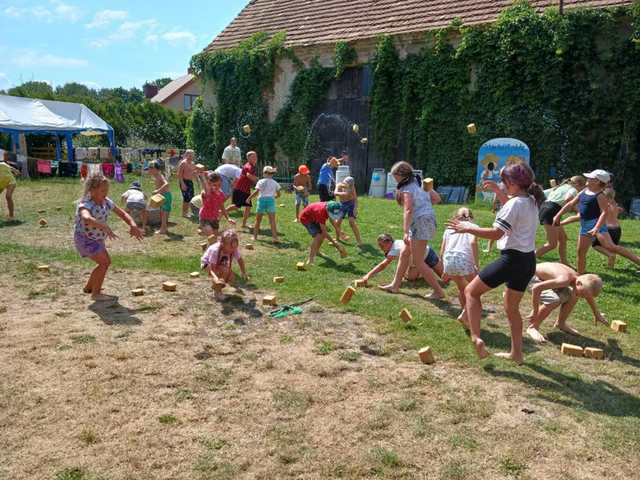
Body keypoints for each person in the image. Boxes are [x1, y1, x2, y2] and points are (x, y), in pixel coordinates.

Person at [446, 163, 544, 364]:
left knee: (471, 292)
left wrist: (468, 228)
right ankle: (516, 354)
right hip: (527, 262)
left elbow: (497, 233)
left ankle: (476, 337)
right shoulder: (532, 200)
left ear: (513, 182)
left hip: (512, 260)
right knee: (512, 308)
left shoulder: (514, 204)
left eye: (504, 181)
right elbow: (512, 204)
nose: (502, 184)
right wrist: (499, 191)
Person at [379, 161, 445, 299]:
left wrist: (405, 231)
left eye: (394, 175)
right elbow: (437, 198)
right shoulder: (420, 183)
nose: (393, 178)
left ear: (401, 175)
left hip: (420, 223)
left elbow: (408, 210)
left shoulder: (407, 188)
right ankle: (395, 285)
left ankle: (438, 292)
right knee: (404, 253)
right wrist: (424, 203)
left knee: (418, 261)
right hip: (425, 220)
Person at [553, 169, 640, 274]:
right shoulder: (583, 191)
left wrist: (597, 227)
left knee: (611, 247)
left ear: (597, 181)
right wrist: (558, 215)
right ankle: (580, 275)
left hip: (596, 224)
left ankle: (638, 260)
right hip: (585, 225)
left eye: (590, 178)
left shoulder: (600, 196)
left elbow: (604, 212)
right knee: (580, 252)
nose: (587, 179)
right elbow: (571, 204)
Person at [74, 174, 144, 301]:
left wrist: (133, 225)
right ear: (92, 191)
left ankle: (89, 287)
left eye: (107, 190)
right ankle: (95, 294)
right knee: (104, 262)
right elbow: (86, 218)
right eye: (102, 191)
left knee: (104, 263)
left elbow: (122, 213)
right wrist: (104, 226)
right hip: (85, 240)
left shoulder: (106, 202)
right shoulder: (86, 204)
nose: (105, 193)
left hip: (96, 239)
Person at [526, 262, 606, 343]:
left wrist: (597, 313)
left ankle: (560, 323)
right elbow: (536, 289)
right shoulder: (564, 280)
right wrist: (535, 311)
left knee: (574, 295)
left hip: (545, 280)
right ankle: (532, 327)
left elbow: (589, 297)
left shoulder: (578, 279)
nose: (582, 297)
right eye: (582, 294)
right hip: (531, 277)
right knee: (554, 300)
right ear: (579, 284)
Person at [441, 207, 479, 327]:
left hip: (449, 260)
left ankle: (465, 314)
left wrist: (444, 267)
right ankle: (465, 313)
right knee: (476, 290)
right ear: (471, 217)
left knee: (462, 289)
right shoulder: (474, 227)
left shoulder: (449, 228)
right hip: (463, 260)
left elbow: (443, 248)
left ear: (456, 216)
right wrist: (476, 264)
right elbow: (473, 243)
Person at [359, 233, 444, 286]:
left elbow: (383, 265)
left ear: (389, 242)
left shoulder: (395, 248)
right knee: (410, 278)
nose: (381, 248)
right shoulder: (395, 245)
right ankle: (426, 269)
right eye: (379, 246)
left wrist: (368, 276)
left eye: (382, 245)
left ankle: (428, 267)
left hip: (428, 255)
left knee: (445, 278)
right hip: (416, 262)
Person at [536, 175, 585, 265]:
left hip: (547, 209)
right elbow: (568, 199)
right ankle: (530, 257)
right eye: (582, 188)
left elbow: (543, 194)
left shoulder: (561, 186)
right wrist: (578, 210)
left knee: (563, 238)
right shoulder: (573, 189)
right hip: (551, 211)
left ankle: (564, 262)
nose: (581, 191)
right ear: (578, 184)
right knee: (552, 244)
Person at [201, 229, 248, 300]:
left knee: (231, 277)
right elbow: (212, 268)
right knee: (224, 272)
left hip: (219, 264)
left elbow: (240, 260)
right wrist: (216, 279)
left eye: (235, 247)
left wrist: (243, 272)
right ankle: (217, 293)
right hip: (207, 265)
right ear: (222, 243)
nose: (233, 249)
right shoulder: (215, 250)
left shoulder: (233, 248)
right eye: (231, 247)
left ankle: (221, 285)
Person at [591, 187, 624, 268]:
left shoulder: (604, 205)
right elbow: (619, 210)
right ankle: (610, 267)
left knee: (595, 245)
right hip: (617, 229)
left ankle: (609, 255)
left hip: (607, 228)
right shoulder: (615, 204)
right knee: (613, 248)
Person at [247, 166, 281, 243]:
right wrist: (273, 197)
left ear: (264, 173)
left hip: (261, 201)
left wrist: (249, 198)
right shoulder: (275, 183)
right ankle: (275, 238)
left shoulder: (260, 181)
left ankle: (255, 237)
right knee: (272, 221)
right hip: (271, 201)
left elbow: (256, 192)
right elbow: (279, 194)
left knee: (258, 220)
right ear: (272, 174)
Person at [228, 151, 258, 229]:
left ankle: (244, 224)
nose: (255, 158)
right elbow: (248, 175)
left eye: (256, 156)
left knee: (247, 207)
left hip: (245, 189)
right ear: (248, 158)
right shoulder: (249, 166)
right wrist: (257, 180)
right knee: (237, 206)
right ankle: (221, 212)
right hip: (240, 189)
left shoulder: (251, 166)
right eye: (253, 157)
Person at [199, 171, 235, 237]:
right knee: (210, 234)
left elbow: (221, 206)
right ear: (209, 184)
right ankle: (203, 229)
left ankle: (204, 235)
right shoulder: (206, 192)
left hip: (214, 218)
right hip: (205, 218)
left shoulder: (220, 193)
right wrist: (203, 177)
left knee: (214, 237)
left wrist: (228, 218)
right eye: (214, 185)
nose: (217, 187)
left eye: (219, 185)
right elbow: (206, 188)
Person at [334, 176, 363, 245]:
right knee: (337, 222)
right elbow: (335, 193)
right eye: (348, 185)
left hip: (351, 204)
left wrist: (355, 208)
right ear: (344, 182)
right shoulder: (339, 186)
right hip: (342, 205)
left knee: (351, 222)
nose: (350, 187)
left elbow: (355, 198)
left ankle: (359, 241)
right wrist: (337, 187)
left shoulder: (351, 187)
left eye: (351, 185)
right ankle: (338, 238)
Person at [148, 160, 171, 235]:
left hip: (165, 196)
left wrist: (158, 190)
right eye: (149, 168)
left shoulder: (159, 175)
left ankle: (163, 229)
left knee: (163, 213)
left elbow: (166, 184)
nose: (149, 170)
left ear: (156, 169)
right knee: (164, 213)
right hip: (164, 195)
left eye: (151, 168)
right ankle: (164, 228)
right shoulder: (156, 176)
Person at [176, 149, 197, 218]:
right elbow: (179, 174)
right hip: (184, 181)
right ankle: (184, 213)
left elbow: (193, 174)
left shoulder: (193, 163)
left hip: (190, 182)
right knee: (186, 198)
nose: (191, 156)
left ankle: (188, 212)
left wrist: (196, 174)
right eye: (189, 154)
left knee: (191, 197)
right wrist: (182, 184)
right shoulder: (183, 163)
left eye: (192, 155)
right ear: (186, 155)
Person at [0, 153, 19, 220]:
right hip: (1, 183)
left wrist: (15, 171)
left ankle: (11, 216)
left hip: (10, 181)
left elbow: (10, 167)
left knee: (8, 196)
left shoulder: (2, 164)